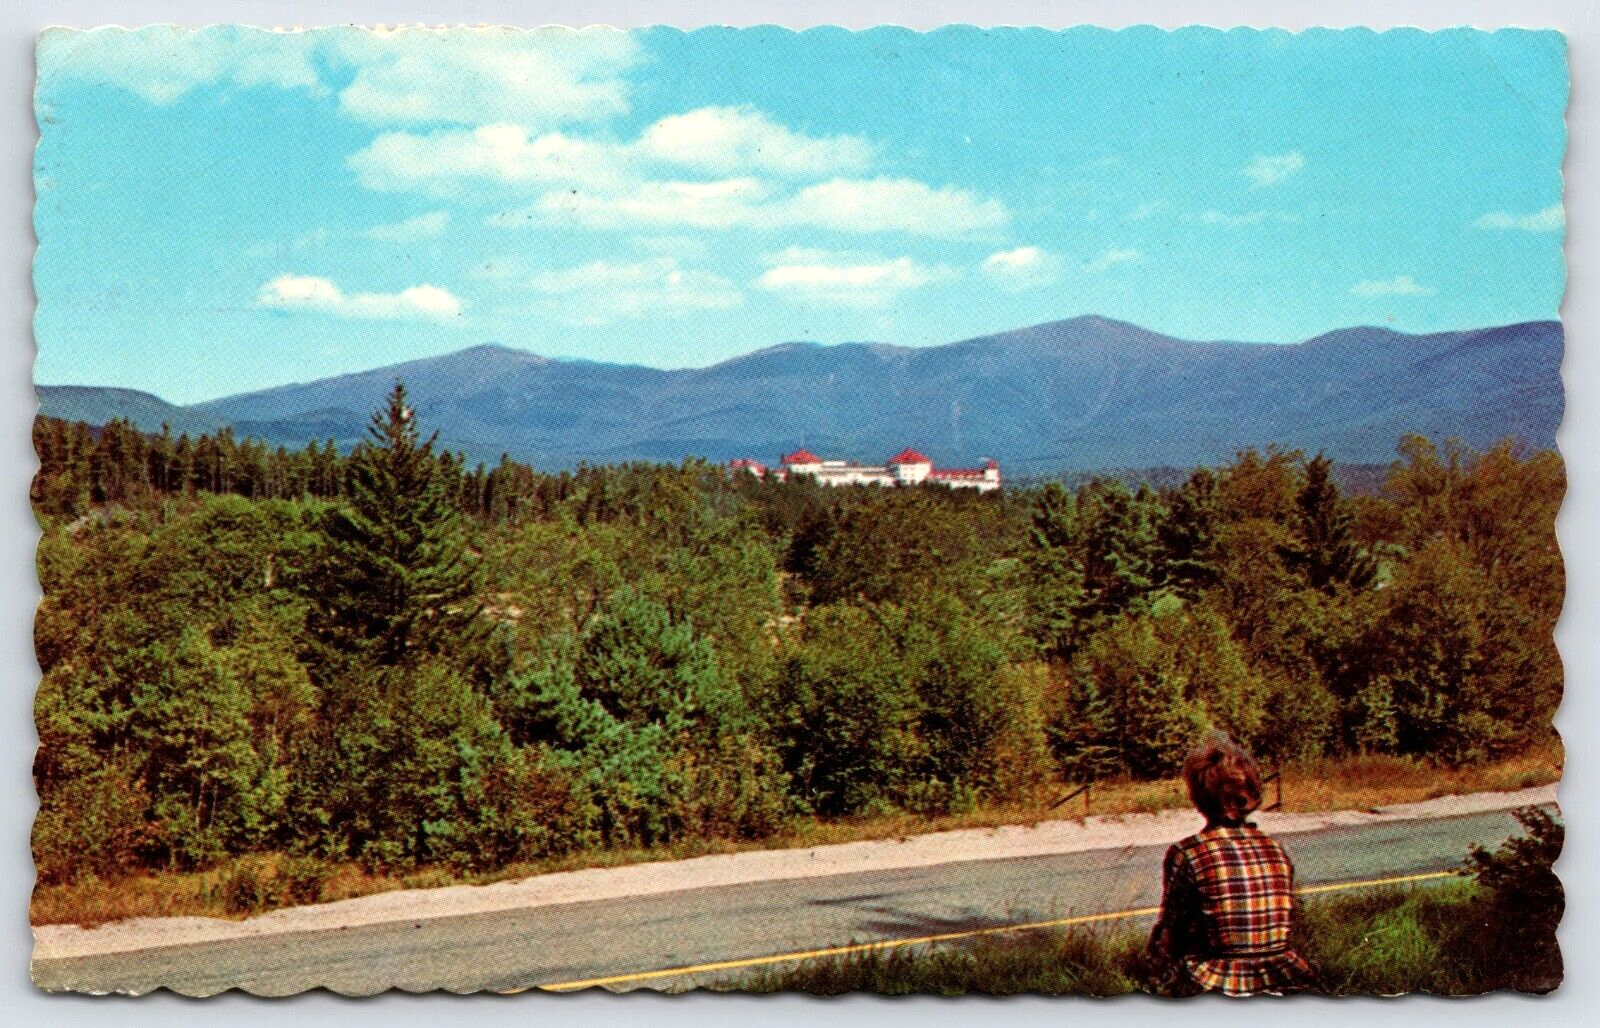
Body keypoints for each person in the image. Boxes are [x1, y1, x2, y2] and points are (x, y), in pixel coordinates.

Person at [1145, 735, 1315, 997]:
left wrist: (1153, 968)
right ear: (1252, 793)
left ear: (1198, 797)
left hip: (1219, 982)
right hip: (1280, 976)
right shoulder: (1276, 849)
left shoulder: (1188, 853)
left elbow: (1171, 934)